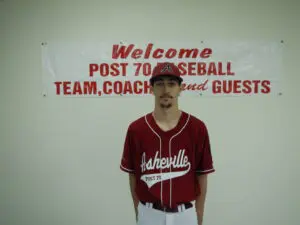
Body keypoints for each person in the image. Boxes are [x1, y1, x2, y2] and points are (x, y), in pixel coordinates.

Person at [119, 62, 215, 225]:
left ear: (180, 88)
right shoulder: (136, 129)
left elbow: (202, 174)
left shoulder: (197, 128)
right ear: (151, 89)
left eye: (171, 84)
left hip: (185, 214)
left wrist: (198, 215)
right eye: (160, 84)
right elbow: (133, 174)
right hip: (149, 212)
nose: (166, 90)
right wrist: (139, 212)